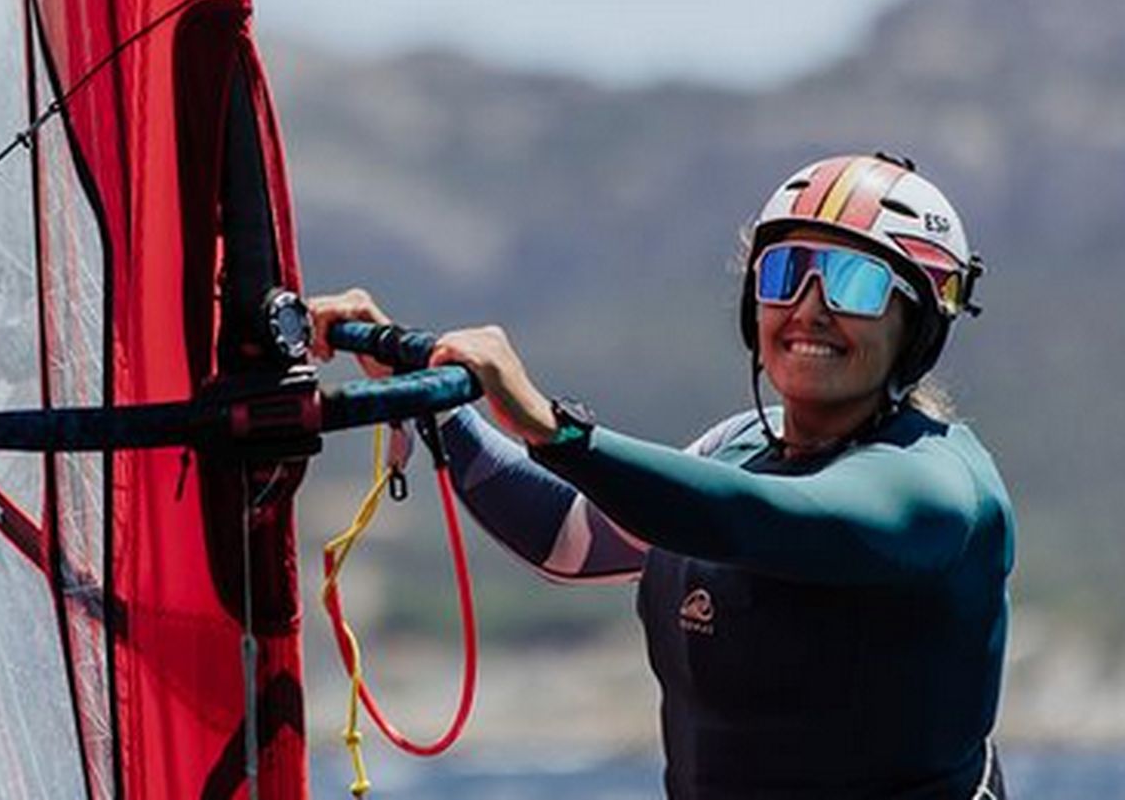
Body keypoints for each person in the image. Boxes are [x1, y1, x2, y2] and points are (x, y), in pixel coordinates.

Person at [309, 153, 1014, 800]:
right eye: (784, 273)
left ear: (918, 326)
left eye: (854, 283)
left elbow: (759, 520)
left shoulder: (939, 488)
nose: (808, 307)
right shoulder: (730, 448)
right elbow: (564, 536)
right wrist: (426, 388)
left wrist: (556, 429)